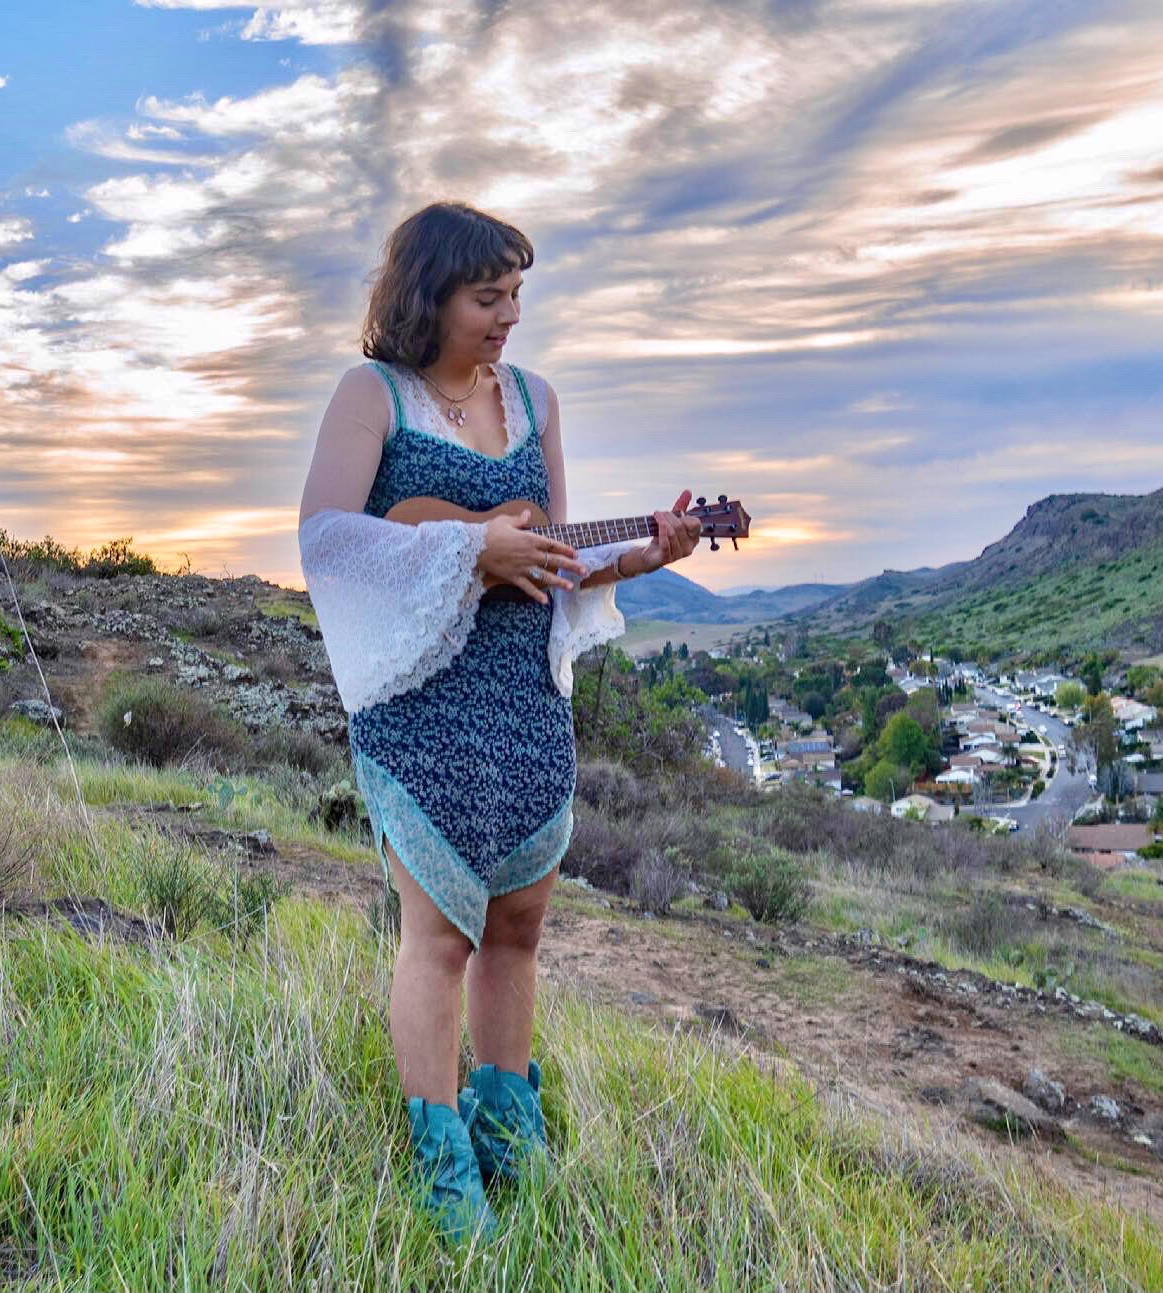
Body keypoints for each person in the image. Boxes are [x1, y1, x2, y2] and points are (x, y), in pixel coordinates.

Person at [297, 201, 701, 1244]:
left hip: (524, 698)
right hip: (424, 709)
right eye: (489, 296)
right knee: (438, 936)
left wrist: (646, 553)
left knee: (518, 929)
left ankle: (508, 1133)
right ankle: (441, 1166)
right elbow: (328, 538)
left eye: (518, 293)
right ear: (428, 294)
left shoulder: (537, 399)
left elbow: (556, 547)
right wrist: (468, 548)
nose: (510, 315)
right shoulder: (370, 394)